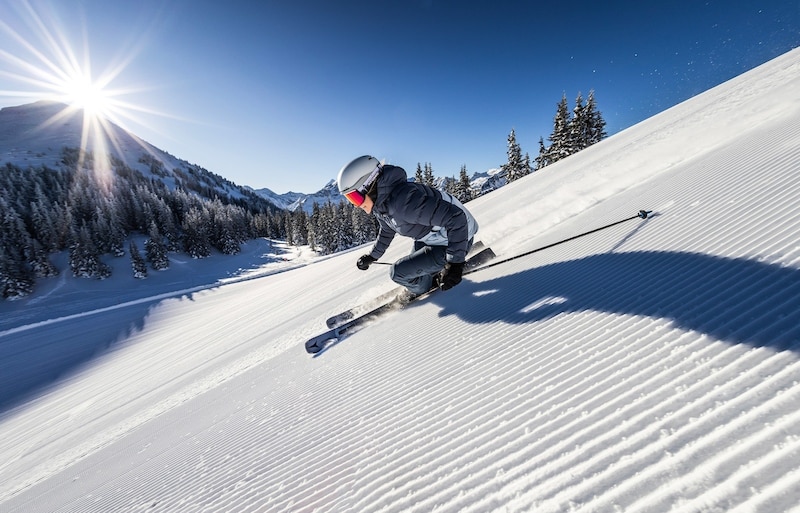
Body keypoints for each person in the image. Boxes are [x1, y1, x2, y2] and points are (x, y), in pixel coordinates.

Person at [337, 155, 479, 298]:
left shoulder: (404, 203)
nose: (357, 205)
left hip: (458, 238)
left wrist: (455, 264)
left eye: (355, 197)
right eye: (351, 200)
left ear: (369, 185)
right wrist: (372, 256)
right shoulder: (382, 204)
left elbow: (455, 217)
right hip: (435, 238)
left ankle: (427, 287)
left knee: (397, 272)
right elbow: (387, 230)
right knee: (411, 267)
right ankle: (428, 275)